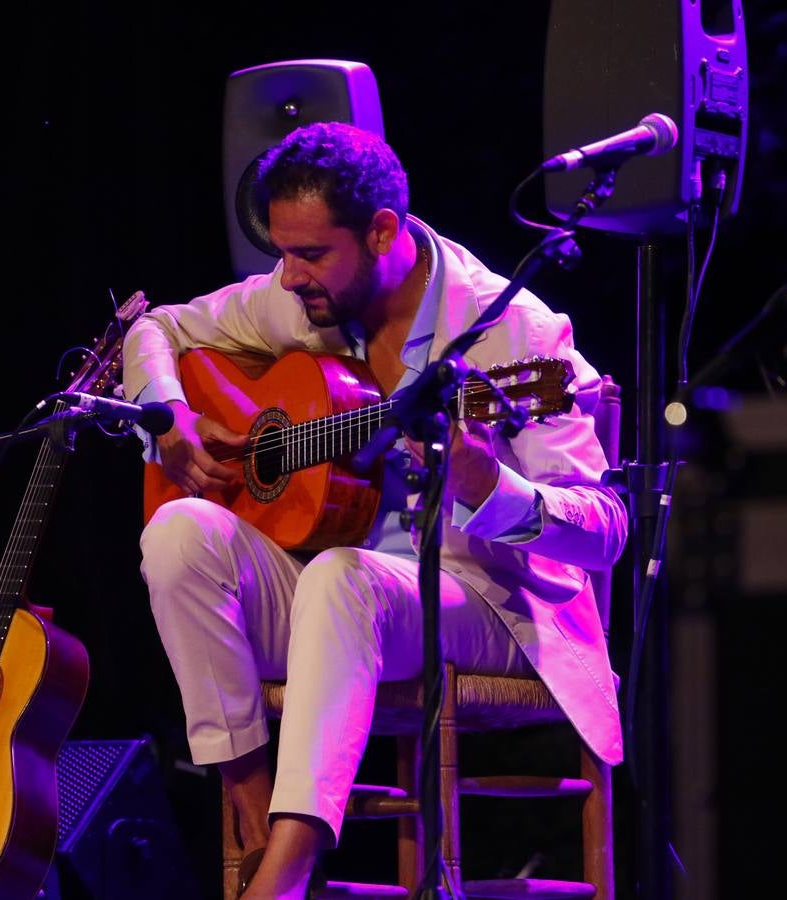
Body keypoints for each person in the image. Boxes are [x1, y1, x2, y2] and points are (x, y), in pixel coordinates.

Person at [121, 122, 628, 899]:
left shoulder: (513, 332)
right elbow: (157, 326)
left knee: (342, 575)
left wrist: (490, 488)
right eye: (280, 253)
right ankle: (255, 816)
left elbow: (606, 529)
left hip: (491, 605)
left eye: (311, 254)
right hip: (345, 610)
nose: (288, 278)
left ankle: (284, 873)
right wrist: (168, 415)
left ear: (383, 231)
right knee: (178, 531)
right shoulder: (305, 304)